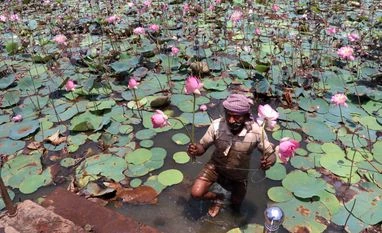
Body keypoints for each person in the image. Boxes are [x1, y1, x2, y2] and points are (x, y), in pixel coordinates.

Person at [187, 93, 277, 217]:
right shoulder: (217, 126)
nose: (230, 120)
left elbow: (270, 153)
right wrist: (195, 149)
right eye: (228, 115)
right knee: (196, 193)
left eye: (236, 117)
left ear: (246, 115)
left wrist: (269, 161)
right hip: (215, 167)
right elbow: (202, 147)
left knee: (236, 204)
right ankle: (218, 198)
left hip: (238, 175)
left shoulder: (256, 132)